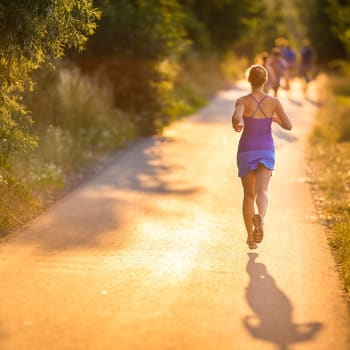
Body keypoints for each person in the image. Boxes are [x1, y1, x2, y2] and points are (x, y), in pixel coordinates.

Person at [231, 65, 292, 249]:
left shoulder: (242, 100)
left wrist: (237, 123)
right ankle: (261, 219)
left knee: (248, 195)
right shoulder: (274, 102)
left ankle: (250, 238)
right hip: (266, 150)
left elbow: (236, 117)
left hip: (246, 150)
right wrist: (274, 119)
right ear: (266, 80)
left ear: (249, 80)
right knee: (263, 191)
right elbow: (288, 126)